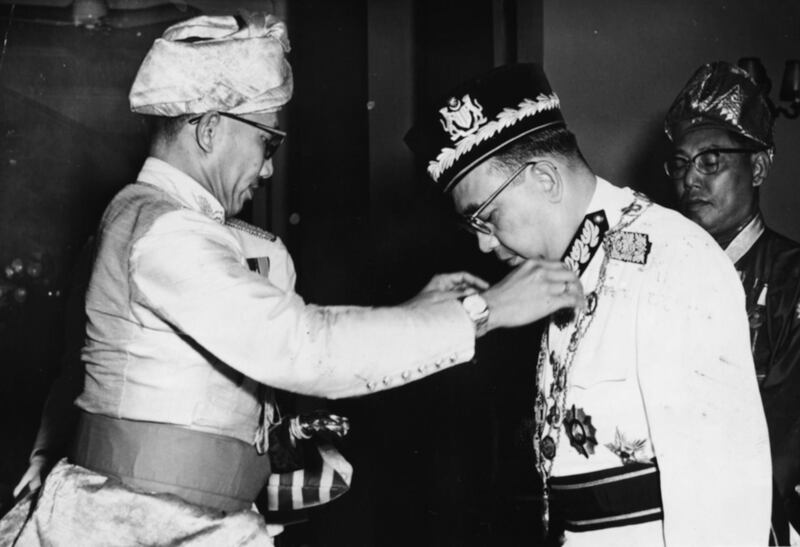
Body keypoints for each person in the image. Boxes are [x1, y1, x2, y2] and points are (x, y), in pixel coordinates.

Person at [0, 13, 585, 547]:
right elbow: (303, 346)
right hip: (138, 526)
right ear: (209, 130)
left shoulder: (146, 221)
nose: (270, 165)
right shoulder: (165, 232)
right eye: (266, 140)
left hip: (191, 522)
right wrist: (484, 313)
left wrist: (417, 309)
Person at [404, 62, 772, 546]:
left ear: (544, 179)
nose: (484, 246)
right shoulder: (565, 268)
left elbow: (724, 501)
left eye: (487, 218)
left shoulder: (672, 258)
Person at [664, 60, 800, 545]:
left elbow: (784, 440)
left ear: (758, 166)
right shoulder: (662, 277)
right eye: (680, 164)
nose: (690, 180)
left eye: (711, 161)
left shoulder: (792, 281)